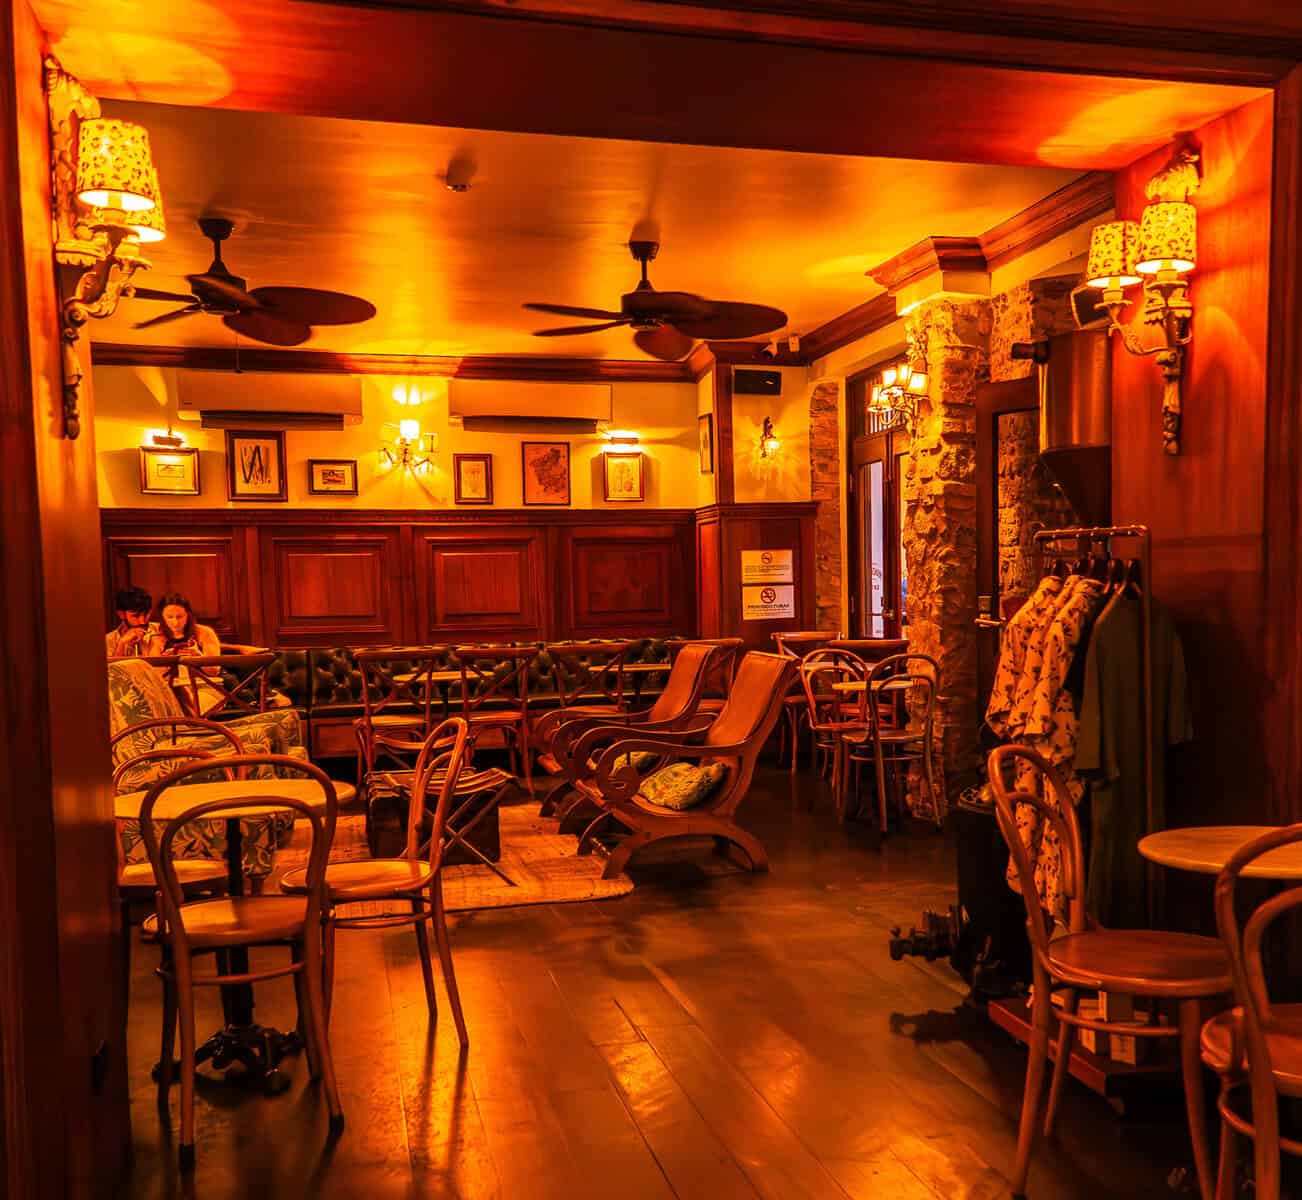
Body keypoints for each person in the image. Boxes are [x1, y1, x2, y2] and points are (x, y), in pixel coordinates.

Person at [144, 593, 222, 659]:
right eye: (170, 617)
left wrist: (198, 657)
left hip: (200, 676)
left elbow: (214, 670)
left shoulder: (205, 632)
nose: (175, 622)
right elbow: (153, 673)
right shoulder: (156, 636)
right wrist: (166, 661)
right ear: (162, 616)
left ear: (188, 614)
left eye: (180, 617)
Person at [105, 586, 154, 657]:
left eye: (146, 614)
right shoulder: (109, 640)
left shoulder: (159, 631)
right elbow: (111, 667)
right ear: (121, 614)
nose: (142, 621)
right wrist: (121, 643)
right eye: (136, 616)